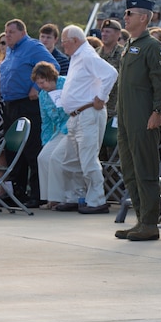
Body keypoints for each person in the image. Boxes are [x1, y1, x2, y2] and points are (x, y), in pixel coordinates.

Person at [114, 0, 161, 241]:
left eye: (129, 13)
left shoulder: (152, 46)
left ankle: (149, 222)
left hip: (143, 116)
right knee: (130, 169)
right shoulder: (129, 44)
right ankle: (140, 220)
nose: (124, 17)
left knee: (145, 170)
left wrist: (157, 111)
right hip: (126, 117)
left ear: (143, 18)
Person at [55, 26, 118, 214]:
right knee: (70, 160)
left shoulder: (88, 56)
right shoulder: (77, 56)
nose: (62, 45)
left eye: (64, 41)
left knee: (88, 159)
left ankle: (97, 200)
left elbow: (111, 73)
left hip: (88, 113)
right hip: (76, 115)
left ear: (75, 40)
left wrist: (101, 97)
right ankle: (75, 196)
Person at [0, 19, 59, 207]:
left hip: (27, 104)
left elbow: (52, 65)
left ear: (22, 32)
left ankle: (37, 193)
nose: (7, 35)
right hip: (10, 105)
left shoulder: (33, 47)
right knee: (13, 150)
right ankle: (18, 193)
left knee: (32, 148)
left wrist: (37, 87)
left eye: (11, 32)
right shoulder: (10, 50)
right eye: (6, 31)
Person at [32, 61, 69, 209]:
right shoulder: (43, 95)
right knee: (43, 157)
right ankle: (49, 197)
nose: (41, 86)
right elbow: (45, 120)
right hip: (59, 130)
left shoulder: (66, 83)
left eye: (43, 82)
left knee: (55, 158)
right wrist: (46, 141)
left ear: (50, 77)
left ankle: (59, 197)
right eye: (38, 83)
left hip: (72, 126)